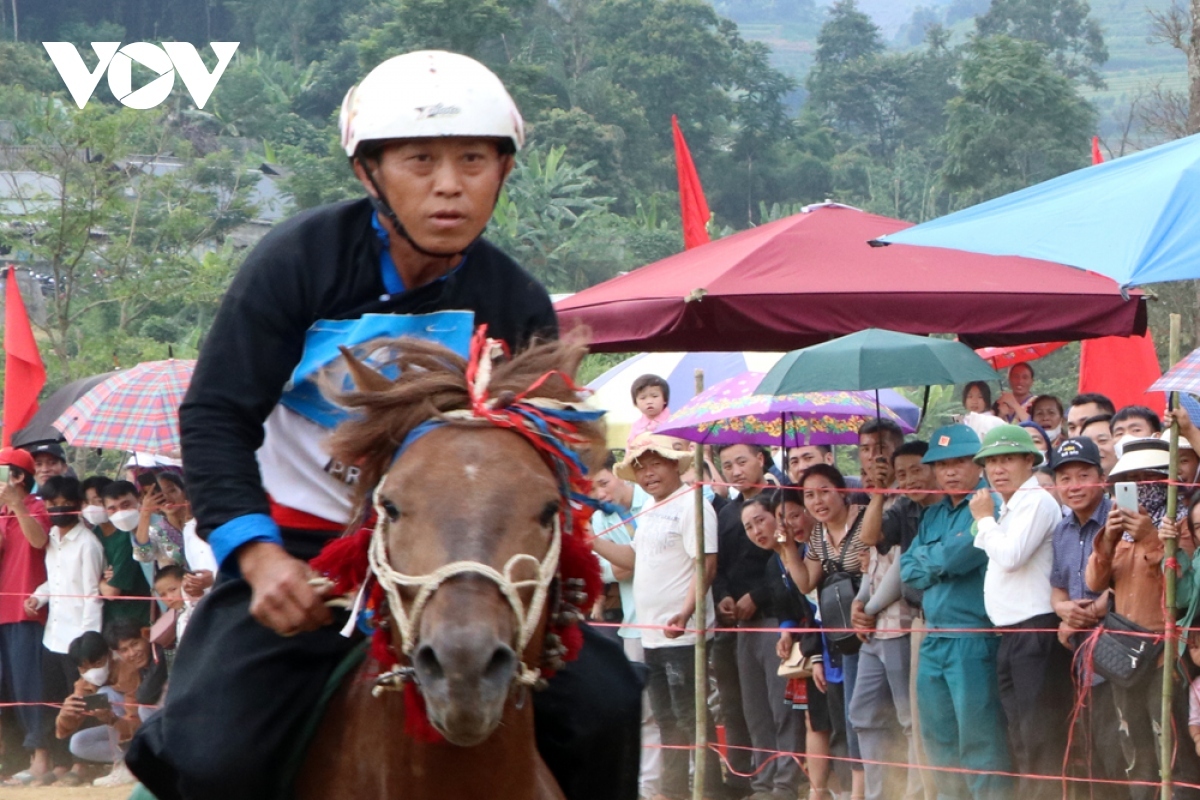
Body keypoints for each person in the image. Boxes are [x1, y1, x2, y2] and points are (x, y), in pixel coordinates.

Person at [128, 50, 642, 800]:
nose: (448, 185)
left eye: (473, 160)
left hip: (461, 558)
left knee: (608, 705)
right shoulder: (297, 263)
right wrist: (258, 557)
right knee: (211, 754)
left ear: (502, 171)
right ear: (370, 171)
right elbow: (215, 416)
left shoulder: (514, 297)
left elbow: (547, 451)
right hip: (304, 551)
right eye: (420, 160)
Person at [591, 435, 720, 800]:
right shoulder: (648, 510)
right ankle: (674, 792)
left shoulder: (692, 505)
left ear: (675, 464)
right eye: (641, 467)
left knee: (690, 718)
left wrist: (685, 611)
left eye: (655, 464)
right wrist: (591, 540)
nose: (648, 473)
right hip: (651, 634)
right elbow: (632, 560)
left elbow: (706, 564)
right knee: (666, 721)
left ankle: (708, 791)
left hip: (682, 633)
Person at [899, 425, 1012, 800]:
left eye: (959, 461)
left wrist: (936, 560)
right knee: (938, 739)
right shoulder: (933, 515)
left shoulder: (988, 506)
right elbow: (907, 571)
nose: (949, 471)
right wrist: (940, 560)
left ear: (977, 465)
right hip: (934, 636)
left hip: (972, 637)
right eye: (942, 464)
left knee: (979, 739)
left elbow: (961, 555)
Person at [1089, 440, 1200, 800]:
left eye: (1150, 478)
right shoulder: (1117, 535)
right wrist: (1106, 539)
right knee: (1133, 741)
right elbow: (1093, 582)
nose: (1142, 486)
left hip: (1166, 656)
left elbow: (1180, 588)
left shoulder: (1183, 528)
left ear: (1166, 483)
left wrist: (1152, 539)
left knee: (1171, 738)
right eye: (1131, 481)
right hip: (1125, 654)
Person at [969, 425, 1070, 800]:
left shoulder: (1037, 501)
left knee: (1039, 731)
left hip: (1037, 628)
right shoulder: (1010, 506)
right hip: (1011, 633)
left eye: (1007, 458)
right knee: (1019, 728)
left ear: (1030, 460)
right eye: (991, 461)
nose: (997, 468)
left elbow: (1010, 557)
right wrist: (989, 518)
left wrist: (983, 517)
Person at [852, 440, 938, 800]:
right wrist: (878, 493)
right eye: (902, 474)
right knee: (862, 713)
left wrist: (868, 611)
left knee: (914, 720)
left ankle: (918, 794)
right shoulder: (903, 506)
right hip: (893, 624)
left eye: (917, 469)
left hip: (914, 622)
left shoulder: (946, 509)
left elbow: (905, 571)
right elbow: (870, 540)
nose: (909, 480)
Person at [783, 464, 868, 800]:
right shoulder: (817, 534)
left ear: (842, 491)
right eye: (809, 495)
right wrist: (787, 547)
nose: (817, 501)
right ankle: (857, 791)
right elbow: (806, 582)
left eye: (824, 491)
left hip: (871, 626)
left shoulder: (865, 520)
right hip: (841, 636)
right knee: (853, 714)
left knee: (871, 710)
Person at [1047, 437, 1125, 800]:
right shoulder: (1061, 531)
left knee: (1121, 751)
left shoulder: (1118, 519)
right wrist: (1063, 611)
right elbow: (1057, 590)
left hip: (1120, 658)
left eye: (1083, 475)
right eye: (1064, 478)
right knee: (1091, 750)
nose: (1074, 485)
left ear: (1102, 476)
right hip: (1082, 660)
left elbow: (1129, 582)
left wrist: (1089, 612)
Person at [24, 475, 104, 783]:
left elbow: (91, 595)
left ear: (79, 506)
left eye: (64, 503)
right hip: (52, 636)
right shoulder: (54, 537)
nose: (57, 509)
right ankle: (59, 763)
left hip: (78, 638)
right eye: (51, 504)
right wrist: (38, 596)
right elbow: (55, 581)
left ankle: (83, 764)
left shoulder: (88, 544)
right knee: (53, 700)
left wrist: (88, 645)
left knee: (82, 699)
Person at [588, 454, 658, 799]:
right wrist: (621, 557)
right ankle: (649, 786)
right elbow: (616, 571)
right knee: (643, 711)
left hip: (671, 618)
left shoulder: (654, 500)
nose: (601, 493)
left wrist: (613, 553)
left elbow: (629, 561)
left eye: (604, 483)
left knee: (675, 706)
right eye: (592, 489)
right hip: (632, 622)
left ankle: (684, 778)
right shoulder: (599, 519)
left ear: (619, 474)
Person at [712, 443, 777, 795]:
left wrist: (759, 596)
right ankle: (741, 779)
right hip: (732, 622)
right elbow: (716, 564)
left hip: (771, 615)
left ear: (760, 460)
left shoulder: (780, 502)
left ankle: (782, 776)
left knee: (777, 706)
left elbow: (786, 558)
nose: (735, 471)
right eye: (727, 465)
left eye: (741, 461)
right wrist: (722, 595)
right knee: (735, 705)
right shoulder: (723, 513)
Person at [737, 495, 804, 800]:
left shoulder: (802, 550)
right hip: (763, 630)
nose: (756, 531)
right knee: (756, 712)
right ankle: (763, 782)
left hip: (792, 635)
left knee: (784, 711)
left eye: (760, 520)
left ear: (778, 516)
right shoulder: (770, 562)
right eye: (748, 527)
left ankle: (785, 784)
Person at [771, 488, 836, 800]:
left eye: (795, 514)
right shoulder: (782, 557)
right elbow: (789, 603)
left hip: (831, 640)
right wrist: (786, 630)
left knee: (846, 717)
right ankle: (817, 790)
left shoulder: (824, 549)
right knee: (813, 717)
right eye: (782, 518)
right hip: (808, 644)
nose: (790, 523)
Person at [0, 448, 52, 785]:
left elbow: (38, 541)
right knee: (7, 690)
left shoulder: (36, 506)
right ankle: (12, 756)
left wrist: (18, 506)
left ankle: (41, 759)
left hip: (26, 609)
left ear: (18, 477)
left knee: (29, 685)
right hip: (2, 611)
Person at [54, 627, 143, 787]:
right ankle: (129, 764)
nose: (92, 672)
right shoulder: (84, 682)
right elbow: (62, 732)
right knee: (78, 743)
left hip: (142, 735)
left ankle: (123, 765)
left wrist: (113, 720)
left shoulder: (126, 671)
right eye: (84, 668)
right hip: (120, 732)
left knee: (106, 692)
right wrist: (66, 713)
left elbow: (136, 722)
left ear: (109, 655)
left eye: (98, 664)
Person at [84, 477, 152, 627]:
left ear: (139, 499)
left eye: (125, 505)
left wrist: (99, 580)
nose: (120, 512)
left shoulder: (153, 527)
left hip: (142, 617)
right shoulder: (93, 534)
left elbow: (111, 591)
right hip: (114, 620)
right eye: (112, 508)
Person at [629, 374, 671, 444]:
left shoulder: (673, 422)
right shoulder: (636, 426)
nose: (649, 402)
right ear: (635, 403)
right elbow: (630, 449)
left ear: (665, 399)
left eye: (654, 396)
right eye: (643, 398)